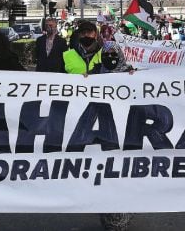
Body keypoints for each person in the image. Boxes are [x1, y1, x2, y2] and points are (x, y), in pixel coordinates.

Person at [62, 20, 133, 230]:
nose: (87, 36)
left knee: (113, 166)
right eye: (83, 32)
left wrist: (131, 76)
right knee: (91, 167)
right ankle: (100, 205)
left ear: (96, 33)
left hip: (112, 121)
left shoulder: (108, 50)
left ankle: (116, 216)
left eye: (90, 32)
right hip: (79, 119)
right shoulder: (68, 55)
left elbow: (122, 71)